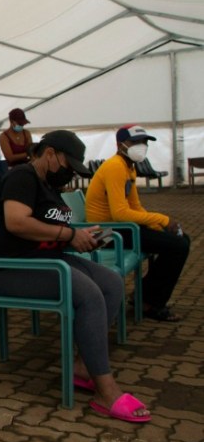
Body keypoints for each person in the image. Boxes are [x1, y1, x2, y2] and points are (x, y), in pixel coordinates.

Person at [0, 130, 150, 423]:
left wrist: (84, 236)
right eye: (68, 165)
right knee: (89, 295)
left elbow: (53, 228)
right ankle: (105, 391)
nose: (70, 172)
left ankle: (84, 366)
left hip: (44, 260)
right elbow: (17, 222)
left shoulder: (49, 186)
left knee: (110, 284)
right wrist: (69, 234)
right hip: (7, 268)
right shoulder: (22, 177)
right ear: (50, 154)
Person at [85, 125, 190, 322]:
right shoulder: (115, 166)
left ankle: (145, 296)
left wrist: (156, 226)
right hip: (104, 234)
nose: (141, 146)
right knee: (178, 246)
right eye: (135, 142)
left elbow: (135, 206)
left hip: (120, 229)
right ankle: (150, 302)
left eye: (144, 142)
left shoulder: (128, 167)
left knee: (181, 239)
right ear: (120, 145)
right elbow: (120, 213)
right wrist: (162, 220)